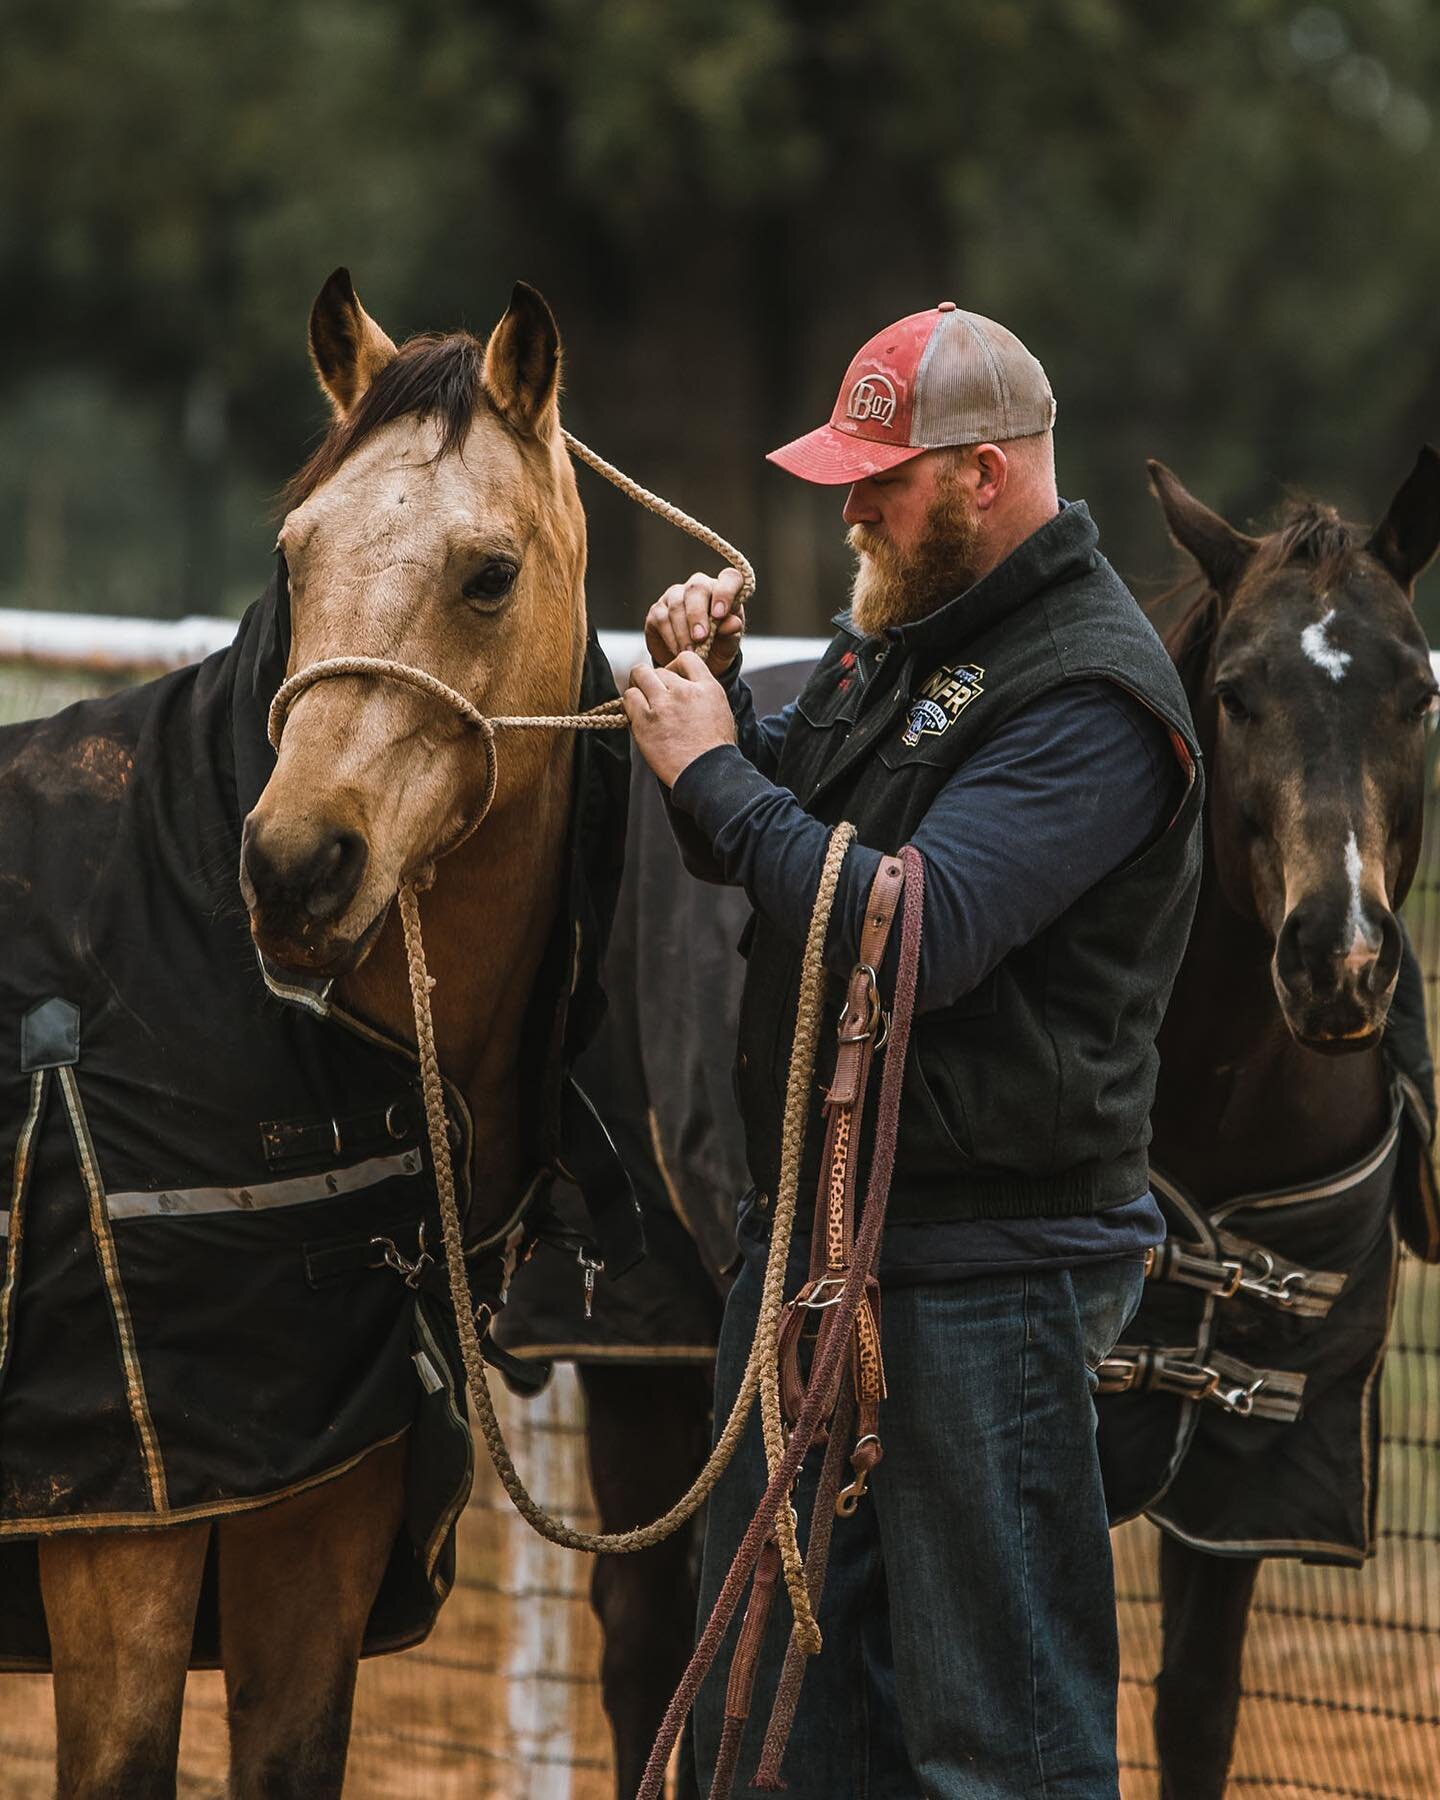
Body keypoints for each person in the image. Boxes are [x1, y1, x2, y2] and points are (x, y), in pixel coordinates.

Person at [621, 303, 1204, 1799]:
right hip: (836, 1259)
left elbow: (908, 930)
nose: (850, 504)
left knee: (994, 1749)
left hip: (990, 1284)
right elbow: (785, 839)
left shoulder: (1092, 691)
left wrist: (714, 776)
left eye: (881, 476)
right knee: (791, 1744)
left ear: (988, 476)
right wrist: (725, 708)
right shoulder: (903, 637)